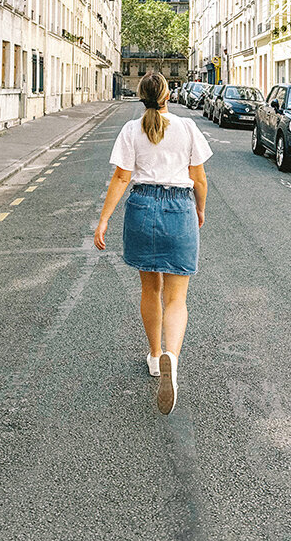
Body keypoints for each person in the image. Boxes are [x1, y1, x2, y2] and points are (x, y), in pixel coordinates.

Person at [94, 70, 211, 414]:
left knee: (150, 291)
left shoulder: (132, 130)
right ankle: (172, 357)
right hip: (179, 210)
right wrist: (199, 210)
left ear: (141, 96)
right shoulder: (187, 127)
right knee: (177, 298)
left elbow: (121, 177)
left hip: (142, 208)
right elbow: (199, 177)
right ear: (168, 95)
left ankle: (156, 356)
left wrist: (103, 221)